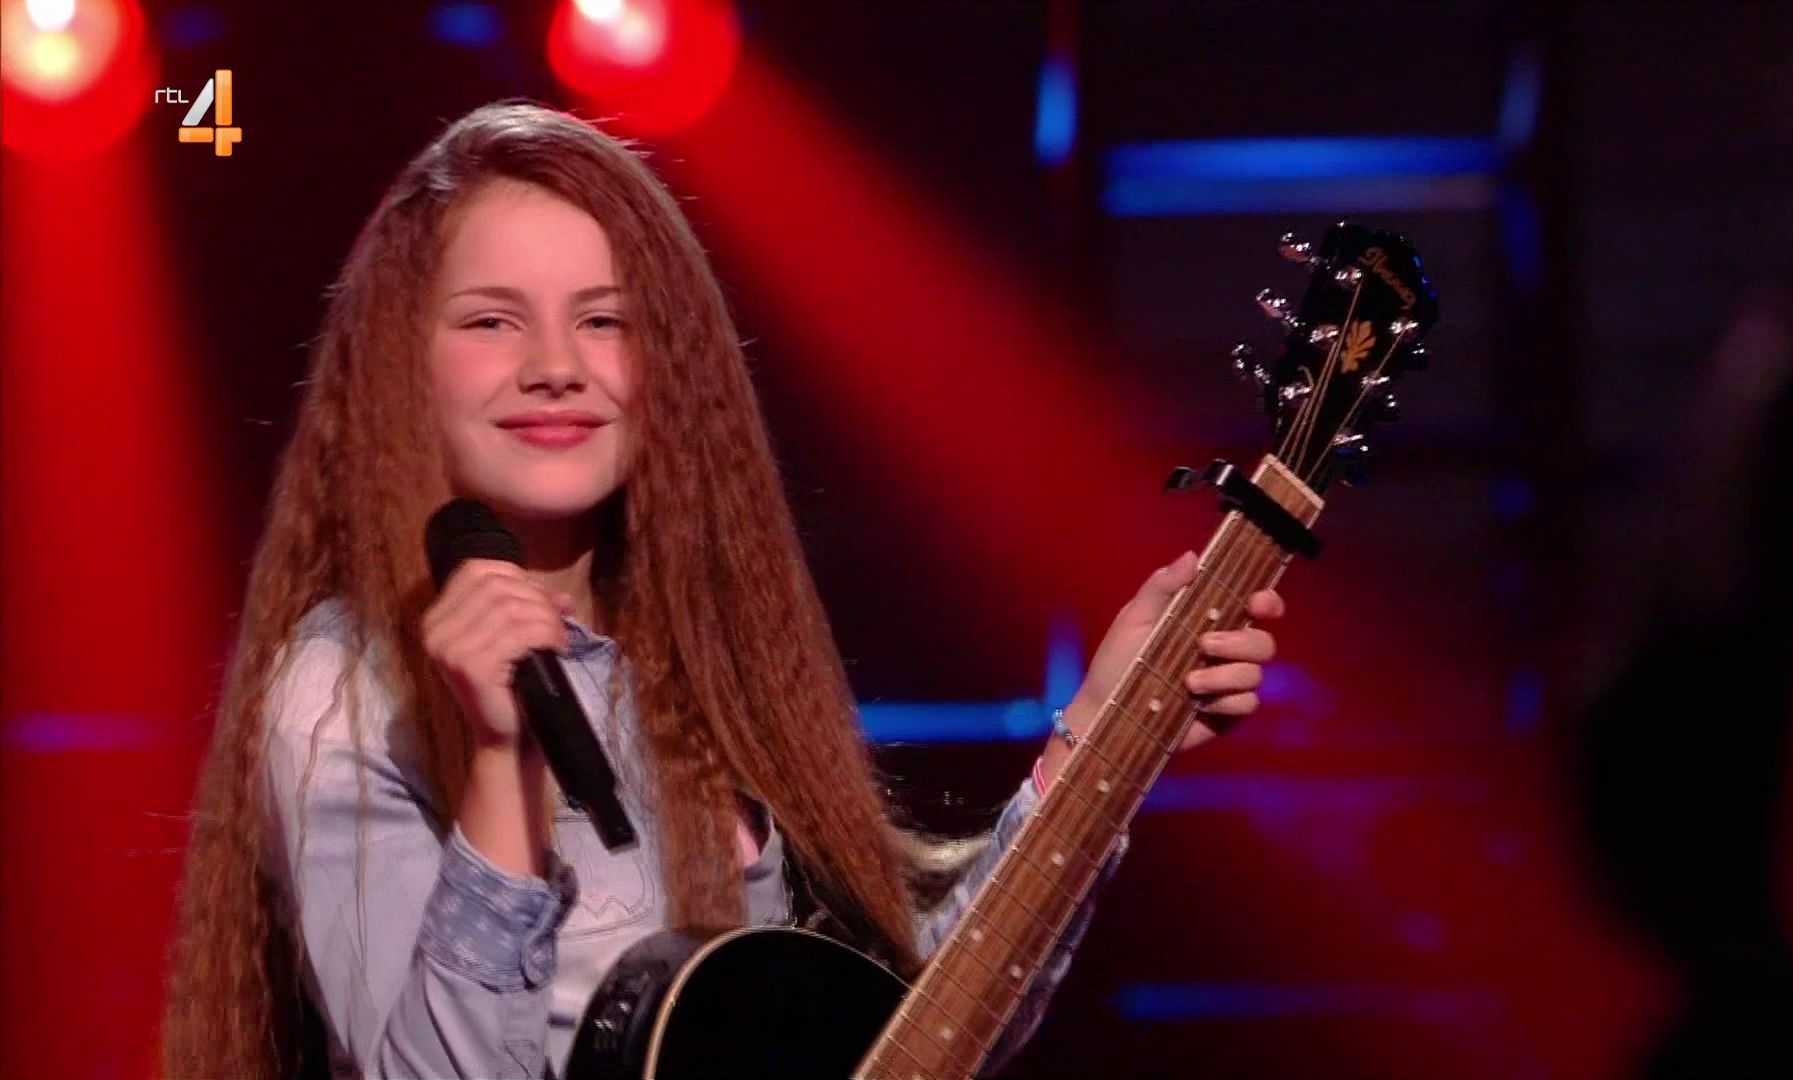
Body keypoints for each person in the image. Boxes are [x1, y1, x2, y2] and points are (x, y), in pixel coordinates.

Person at [159, 101, 1286, 1080]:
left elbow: (913, 1044)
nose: (556, 366)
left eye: (605, 320)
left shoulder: (698, 657)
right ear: (405, 364)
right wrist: (502, 765)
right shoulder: (348, 688)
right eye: (493, 320)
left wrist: (1101, 736)